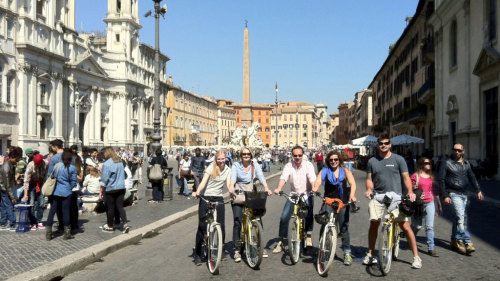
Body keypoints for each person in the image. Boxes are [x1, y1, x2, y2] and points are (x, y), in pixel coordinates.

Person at [363, 134, 421, 269]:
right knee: (374, 223)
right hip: (378, 196)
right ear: (378, 145)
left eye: (386, 143)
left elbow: (406, 178)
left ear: (390, 145)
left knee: (405, 226)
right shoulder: (372, 161)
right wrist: (368, 189)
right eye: (381, 143)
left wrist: (410, 192)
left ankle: (416, 257)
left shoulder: (398, 159)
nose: (383, 145)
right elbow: (369, 178)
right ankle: (370, 254)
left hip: (396, 197)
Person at [312, 151, 357, 265]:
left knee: (343, 228)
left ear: (339, 160)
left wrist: (352, 195)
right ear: (328, 160)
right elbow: (318, 181)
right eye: (331, 160)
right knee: (324, 223)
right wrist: (315, 188)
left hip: (342, 202)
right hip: (328, 201)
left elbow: (352, 183)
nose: (333, 161)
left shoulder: (345, 170)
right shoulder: (325, 170)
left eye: (336, 159)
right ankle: (322, 248)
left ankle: (347, 253)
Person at [228, 147, 272, 263]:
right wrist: (231, 187)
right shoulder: (236, 165)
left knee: (257, 217)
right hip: (238, 193)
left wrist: (266, 187)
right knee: (237, 220)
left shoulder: (254, 164)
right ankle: (237, 250)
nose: (246, 155)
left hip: (250, 193)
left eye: (248, 154)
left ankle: (260, 245)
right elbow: (233, 178)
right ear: (240, 155)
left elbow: (261, 176)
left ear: (251, 155)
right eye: (243, 154)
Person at [438, 143, 484, 255]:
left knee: (458, 218)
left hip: (464, 194)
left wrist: (478, 190)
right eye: (455, 150)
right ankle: (465, 241)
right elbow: (441, 180)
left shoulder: (467, 163)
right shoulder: (446, 163)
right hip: (453, 193)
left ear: (463, 151)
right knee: (461, 217)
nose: (457, 152)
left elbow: (472, 177)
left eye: (459, 150)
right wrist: (445, 195)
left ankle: (453, 240)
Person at [273, 145, 316, 254]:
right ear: (292, 156)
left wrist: (314, 188)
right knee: (284, 217)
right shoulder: (289, 166)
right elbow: (283, 178)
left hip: (306, 193)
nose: (297, 157)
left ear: (303, 155)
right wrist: (279, 188)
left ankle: (308, 236)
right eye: (295, 155)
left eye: (300, 155)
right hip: (293, 195)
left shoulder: (308, 165)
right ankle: (281, 242)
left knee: (309, 214)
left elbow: (312, 178)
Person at [191, 150, 231, 265]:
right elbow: (203, 183)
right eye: (219, 159)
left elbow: (228, 184)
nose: (221, 161)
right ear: (216, 159)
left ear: (226, 159)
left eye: (223, 159)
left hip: (218, 197)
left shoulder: (228, 170)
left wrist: (232, 191)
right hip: (206, 197)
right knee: (202, 226)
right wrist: (197, 192)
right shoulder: (210, 168)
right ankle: (198, 254)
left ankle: (220, 248)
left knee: (221, 225)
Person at [411, 157, 442, 257]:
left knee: (429, 227)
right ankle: (411, 238)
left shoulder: (430, 176)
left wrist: (439, 205)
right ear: (421, 164)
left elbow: (434, 191)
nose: (429, 164)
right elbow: (409, 190)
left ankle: (431, 248)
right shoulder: (415, 176)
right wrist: (416, 195)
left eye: (430, 163)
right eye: (427, 163)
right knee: (417, 226)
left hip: (430, 203)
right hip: (418, 204)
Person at [45, 150, 77, 240]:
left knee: (52, 211)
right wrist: (69, 187)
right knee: (65, 211)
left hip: (56, 191)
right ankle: (67, 233)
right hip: (67, 191)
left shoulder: (57, 166)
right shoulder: (72, 168)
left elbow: (53, 176)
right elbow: (74, 181)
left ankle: (48, 233)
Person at [100, 147, 130, 234]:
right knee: (120, 207)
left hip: (111, 188)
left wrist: (101, 191)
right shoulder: (120, 162)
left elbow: (104, 179)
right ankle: (125, 224)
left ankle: (110, 226)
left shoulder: (107, 164)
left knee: (110, 208)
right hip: (121, 187)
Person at [22, 154, 47, 230]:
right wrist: (25, 194)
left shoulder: (45, 163)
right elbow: (26, 180)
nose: (37, 165)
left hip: (41, 183)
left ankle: (39, 221)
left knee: (42, 203)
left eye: (38, 164)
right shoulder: (30, 165)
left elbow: (47, 174)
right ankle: (32, 222)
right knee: (31, 203)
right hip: (32, 184)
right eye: (36, 164)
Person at [0, 147, 22, 231]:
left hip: (5, 189)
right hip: (5, 189)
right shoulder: (6, 167)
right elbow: (7, 184)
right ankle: (12, 223)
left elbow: (10, 181)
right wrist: (12, 197)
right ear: (13, 157)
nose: (18, 160)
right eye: (17, 158)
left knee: (4, 206)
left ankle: (3, 223)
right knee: (9, 206)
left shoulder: (10, 165)